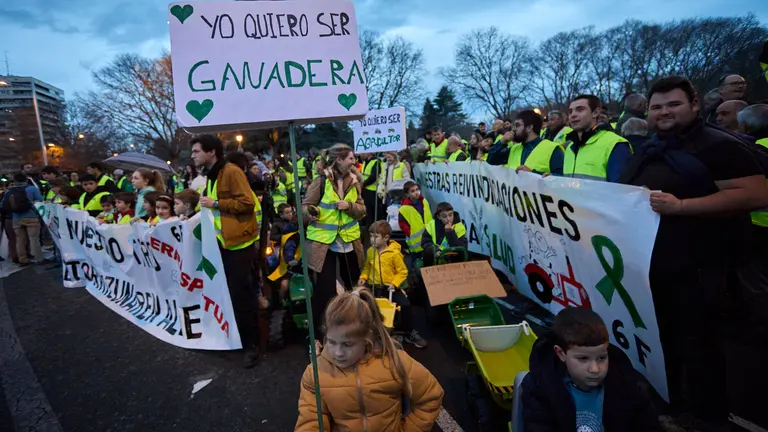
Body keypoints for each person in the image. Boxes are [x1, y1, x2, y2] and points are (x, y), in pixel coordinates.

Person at [619, 76, 768, 429]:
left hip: (701, 266)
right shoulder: (651, 147)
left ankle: (708, 416)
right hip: (656, 265)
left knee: (699, 342)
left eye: (673, 104)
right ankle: (672, 403)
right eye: (657, 106)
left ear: (695, 105)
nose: (664, 112)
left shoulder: (720, 146)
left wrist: (682, 206)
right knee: (665, 336)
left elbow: (757, 194)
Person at [295, 288, 444, 432]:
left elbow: (431, 396)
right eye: (332, 342)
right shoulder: (315, 373)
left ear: (366, 340)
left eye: (347, 344)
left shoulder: (395, 362)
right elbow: (310, 420)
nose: (337, 353)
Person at [521, 307, 661, 431]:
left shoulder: (626, 380)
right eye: (583, 359)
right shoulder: (540, 385)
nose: (595, 369)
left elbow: (647, 424)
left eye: (602, 358)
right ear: (561, 353)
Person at [191, 134, 261, 368]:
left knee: (241, 294)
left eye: (196, 151)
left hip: (238, 244)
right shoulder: (212, 175)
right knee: (229, 293)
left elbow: (247, 204)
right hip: (222, 243)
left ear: (212, 152)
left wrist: (216, 204)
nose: (193, 155)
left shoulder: (230, 171)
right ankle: (237, 337)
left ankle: (252, 345)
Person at [302, 143, 366, 341]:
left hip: (349, 243)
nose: (354, 162)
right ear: (339, 159)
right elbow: (304, 208)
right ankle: (319, 336)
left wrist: (350, 207)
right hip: (324, 245)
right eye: (351, 158)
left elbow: (362, 211)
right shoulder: (320, 181)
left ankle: (355, 328)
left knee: (354, 288)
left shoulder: (355, 180)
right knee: (324, 293)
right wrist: (310, 214)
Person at [357, 221, 426, 348]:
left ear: (386, 238)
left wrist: (394, 284)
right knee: (365, 306)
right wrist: (363, 277)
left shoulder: (394, 254)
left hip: (390, 288)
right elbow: (367, 266)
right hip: (374, 287)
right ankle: (370, 333)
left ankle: (407, 332)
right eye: (371, 236)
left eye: (375, 237)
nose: (372, 240)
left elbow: (403, 271)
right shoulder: (370, 251)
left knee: (405, 305)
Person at [564, 94, 632, 182]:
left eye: (580, 109)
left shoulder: (615, 144)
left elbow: (621, 190)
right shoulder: (570, 148)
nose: (573, 115)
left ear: (595, 113)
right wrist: (553, 179)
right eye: (570, 112)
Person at [0, 172, 45, 266]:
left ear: (14, 181)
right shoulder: (32, 189)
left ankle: (22, 260)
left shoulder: (9, 191)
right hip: (31, 216)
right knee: (33, 238)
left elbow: (3, 204)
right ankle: (39, 258)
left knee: (19, 239)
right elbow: (40, 200)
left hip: (16, 217)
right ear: (26, 179)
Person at [505, 110, 564, 175]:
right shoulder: (514, 148)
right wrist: (502, 142)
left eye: (517, 125)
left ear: (529, 128)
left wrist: (532, 174)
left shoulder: (553, 149)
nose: (514, 129)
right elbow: (492, 159)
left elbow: (561, 179)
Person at [421, 202, 467, 266]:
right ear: (439, 217)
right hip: (435, 262)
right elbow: (425, 243)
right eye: (444, 216)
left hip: (453, 263)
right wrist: (435, 250)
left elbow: (461, 250)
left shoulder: (460, 227)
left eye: (450, 215)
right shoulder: (431, 225)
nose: (448, 219)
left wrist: (450, 233)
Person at [360, 153, 382, 226]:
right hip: (365, 191)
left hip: (373, 191)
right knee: (367, 213)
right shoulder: (365, 162)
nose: (360, 154)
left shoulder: (376, 162)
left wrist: (363, 184)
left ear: (369, 154)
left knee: (374, 214)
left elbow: (373, 177)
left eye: (362, 153)